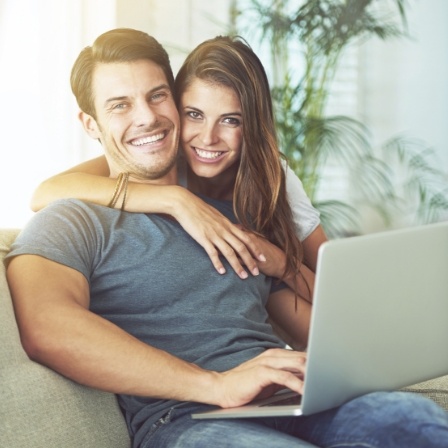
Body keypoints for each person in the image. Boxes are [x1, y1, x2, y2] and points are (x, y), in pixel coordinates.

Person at [6, 28, 448, 448]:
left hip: (289, 398)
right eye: (120, 105)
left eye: (157, 95)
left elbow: (327, 335)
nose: (146, 117)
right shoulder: (71, 220)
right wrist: (216, 384)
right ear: (90, 124)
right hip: (186, 418)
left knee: (415, 423)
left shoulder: (235, 215)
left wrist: (359, 349)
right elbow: (48, 329)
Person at [29, 37, 327, 280]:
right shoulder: (164, 158)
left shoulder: (273, 176)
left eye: (231, 120)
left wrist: (281, 265)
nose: (208, 138)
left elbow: (337, 290)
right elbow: (46, 192)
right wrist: (177, 200)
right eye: (194, 114)